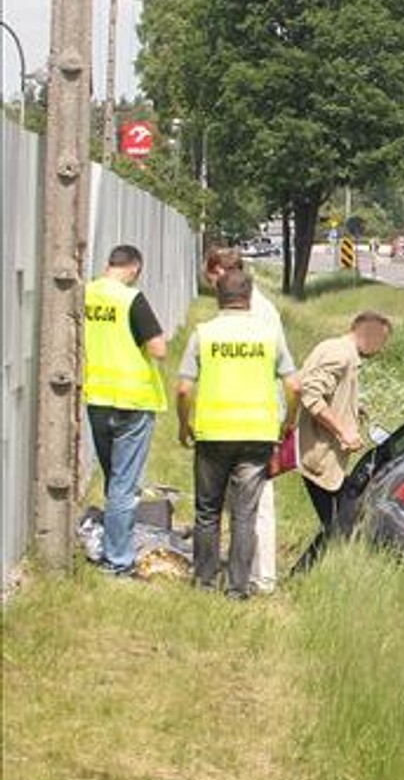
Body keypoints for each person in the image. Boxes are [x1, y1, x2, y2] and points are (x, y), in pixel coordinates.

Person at [176, 269, 299, 599]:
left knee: (207, 511)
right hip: (257, 435)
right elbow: (294, 385)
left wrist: (183, 424)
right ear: (249, 295)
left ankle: (203, 581)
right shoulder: (269, 335)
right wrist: (288, 423)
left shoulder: (204, 334)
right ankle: (238, 587)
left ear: (218, 294)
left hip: (213, 434)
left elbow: (184, 389)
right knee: (245, 515)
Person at [82, 244, 169, 577]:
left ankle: (112, 541)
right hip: (132, 402)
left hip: (98, 399)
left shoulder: (87, 294)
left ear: (109, 265)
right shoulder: (131, 298)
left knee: (114, 480)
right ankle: (118, 561)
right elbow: (159, 349)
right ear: (135, 268)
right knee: (124, 486)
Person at [205, 245, 286, 592]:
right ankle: (246, 569)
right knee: (243, 504)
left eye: (211, 278)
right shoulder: (258, 307)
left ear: (220, 274)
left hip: (253, 415)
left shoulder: (255, 312)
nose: (210, 286)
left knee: (255, 503)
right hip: (253, 415)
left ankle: (261, 574)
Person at [291, 311, 393, 572]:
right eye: (381, 341)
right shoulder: (342, 355)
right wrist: (343, 431)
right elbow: (311, 393)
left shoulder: (331, 347)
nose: (381, 350)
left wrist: (352, 410)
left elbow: (311, 386)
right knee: (341, 524)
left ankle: (301, 576)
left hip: (313, 450)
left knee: (340, 521)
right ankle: (300, 577)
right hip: (319, 455)